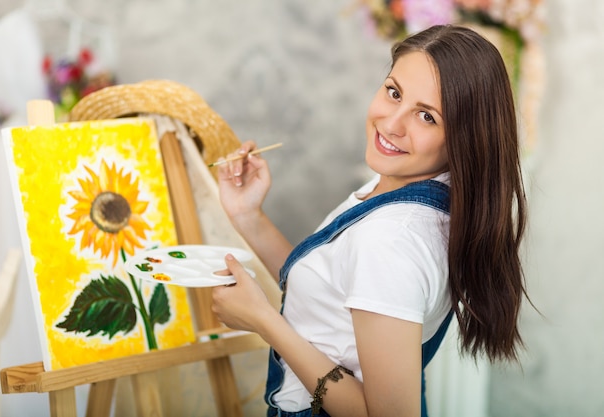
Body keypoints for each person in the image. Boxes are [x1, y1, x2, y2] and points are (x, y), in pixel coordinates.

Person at [211, 24, 528, 417]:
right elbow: (334, 292)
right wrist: (249, 215)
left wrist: (263, 321)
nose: (392, 123)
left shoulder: (391, 240)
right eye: (394, 92)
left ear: (462, 139)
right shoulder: (405, 195)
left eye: (426, 116)